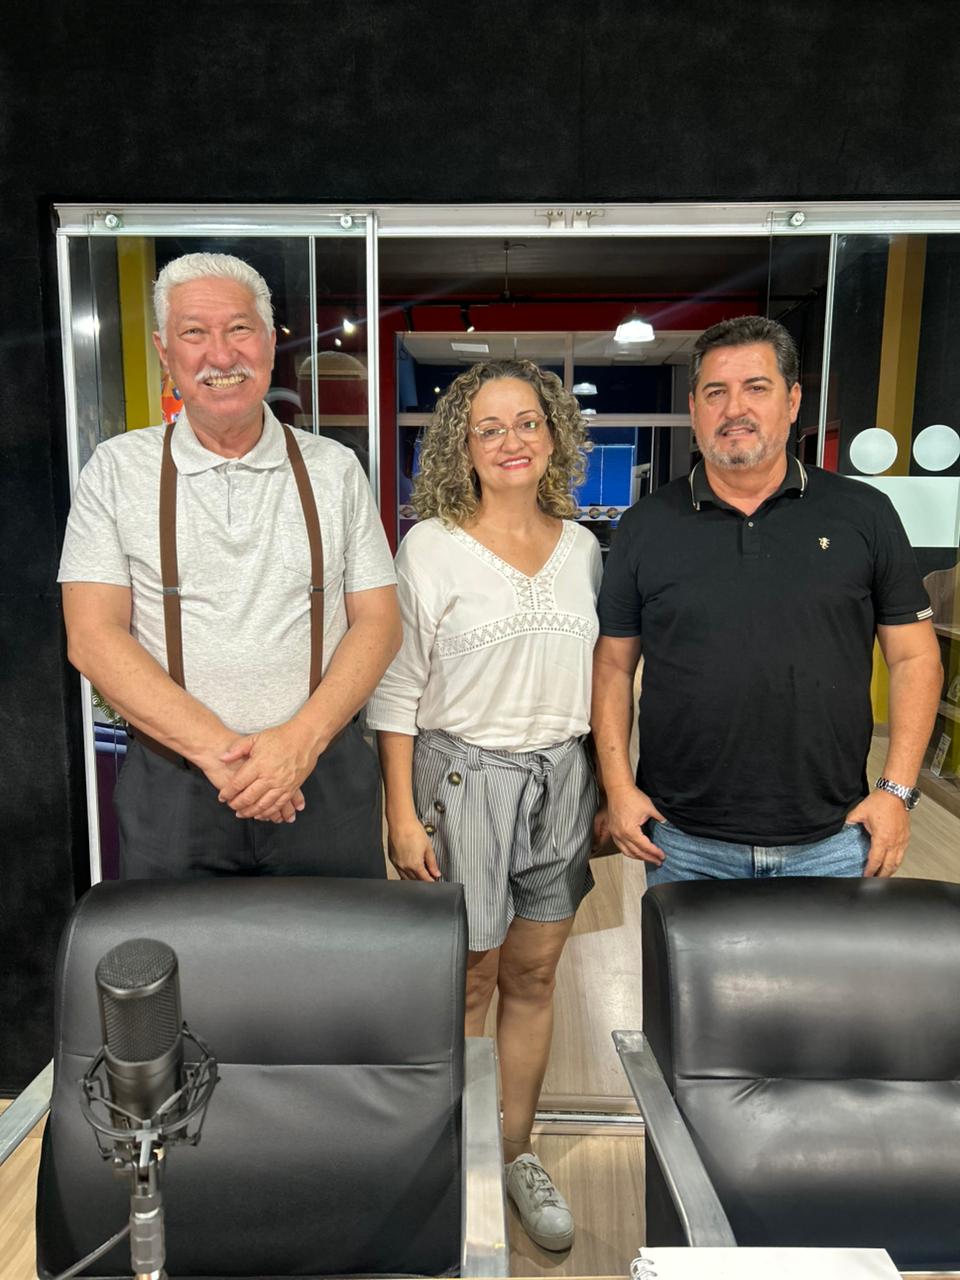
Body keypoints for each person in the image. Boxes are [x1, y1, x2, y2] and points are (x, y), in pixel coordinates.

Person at [58, 252, 401, 879]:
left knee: (334, 944)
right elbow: (92, 635)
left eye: (240, 329)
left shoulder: (334, 469)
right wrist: (224, 756)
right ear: (165, 352)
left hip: (322, 776)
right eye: (194, 332)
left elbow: (379, 622)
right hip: (175, 785)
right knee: (177, 945)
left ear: (269, 342)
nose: (220, 354)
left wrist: (298, 744)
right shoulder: (115, 470)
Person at [366, 359, 600, 1251]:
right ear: (461, 446)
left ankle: (514, 1151)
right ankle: (453, 1160)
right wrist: (401, 814)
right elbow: (397, 689)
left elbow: (604, 677)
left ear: (553, 434)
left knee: (534, 978)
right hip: (461, 776)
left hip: (561, 777)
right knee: (467, 980)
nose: (511, 441)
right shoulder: (430, 546)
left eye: (527, 422)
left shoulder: (583, 549)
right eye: (489, 427)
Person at [592, 315, 942, 884]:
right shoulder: (645, 526)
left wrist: (897, 790)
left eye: (756, 388)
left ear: (793, 400)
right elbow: (611, 666)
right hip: (681, 842)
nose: (735, 409)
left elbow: (915, 656)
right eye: (716, 392)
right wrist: (617, 787)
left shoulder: (864, 514)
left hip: (834, 838)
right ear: (694, 408)